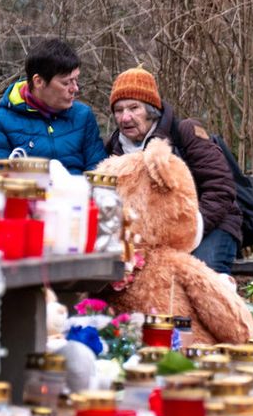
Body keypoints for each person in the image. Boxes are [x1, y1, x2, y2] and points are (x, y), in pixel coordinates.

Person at [103, 65, 242, 274]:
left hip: (209, 225)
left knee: (198, 272)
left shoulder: (185, 132)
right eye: (119, 110)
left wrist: (192, 229)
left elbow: (220, 187)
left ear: (151, 110)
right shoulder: (113, 149)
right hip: (151, 236)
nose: (125, 118)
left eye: (133, 108)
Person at [0, 38, 108, 174]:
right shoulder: (1, 122)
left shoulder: (83, 116)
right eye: (66, 83)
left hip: (79, 192)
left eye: (76, 80)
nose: (75, 88)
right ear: (39, 81)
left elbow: (99, 172)